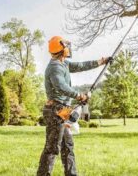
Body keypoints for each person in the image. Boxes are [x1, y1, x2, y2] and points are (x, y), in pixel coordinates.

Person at [37, 36, 111, 176]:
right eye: (66, 46)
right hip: (55, 111)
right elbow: (61, 86)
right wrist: (79, 95)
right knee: (52, 148)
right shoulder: (54, 67)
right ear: (61, 49)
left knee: (68, 146)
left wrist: (101, 61)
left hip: (63, 110)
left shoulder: (63, 63)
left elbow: (81, 66)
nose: (69, 48)